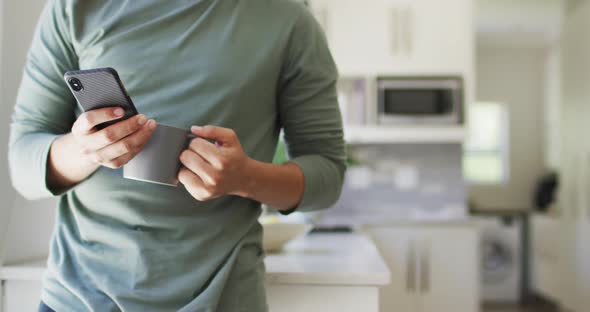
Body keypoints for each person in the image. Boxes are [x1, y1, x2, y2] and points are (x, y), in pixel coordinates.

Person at [8, 0, 345, 311]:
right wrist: (84, 150)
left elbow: (327, 174)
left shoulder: (287, 19)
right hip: (79, 299)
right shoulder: (74, 7)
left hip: (221, 298)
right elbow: (22, 163)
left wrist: (245, 178)